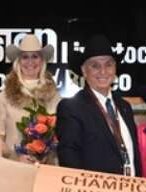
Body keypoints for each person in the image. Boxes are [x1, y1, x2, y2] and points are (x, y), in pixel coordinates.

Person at [57, 34, 141, 176]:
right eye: (95, 66)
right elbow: (69, 156)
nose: (103, 71)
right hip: (93, 189)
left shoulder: (125, 107)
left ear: (115, 68)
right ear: (84, 71)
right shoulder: (72, 107)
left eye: (108, 64)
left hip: (129, 186)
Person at [0, 34, 61, 163]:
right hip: (14, 167)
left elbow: (60, 136)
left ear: (42, 61)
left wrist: (47, 155)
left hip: (47, 167)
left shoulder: (55, 96)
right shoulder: (4, 97)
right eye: (25, 57)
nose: (30, 61)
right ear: (18, 61)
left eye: (35, 56)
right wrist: (15, 157)